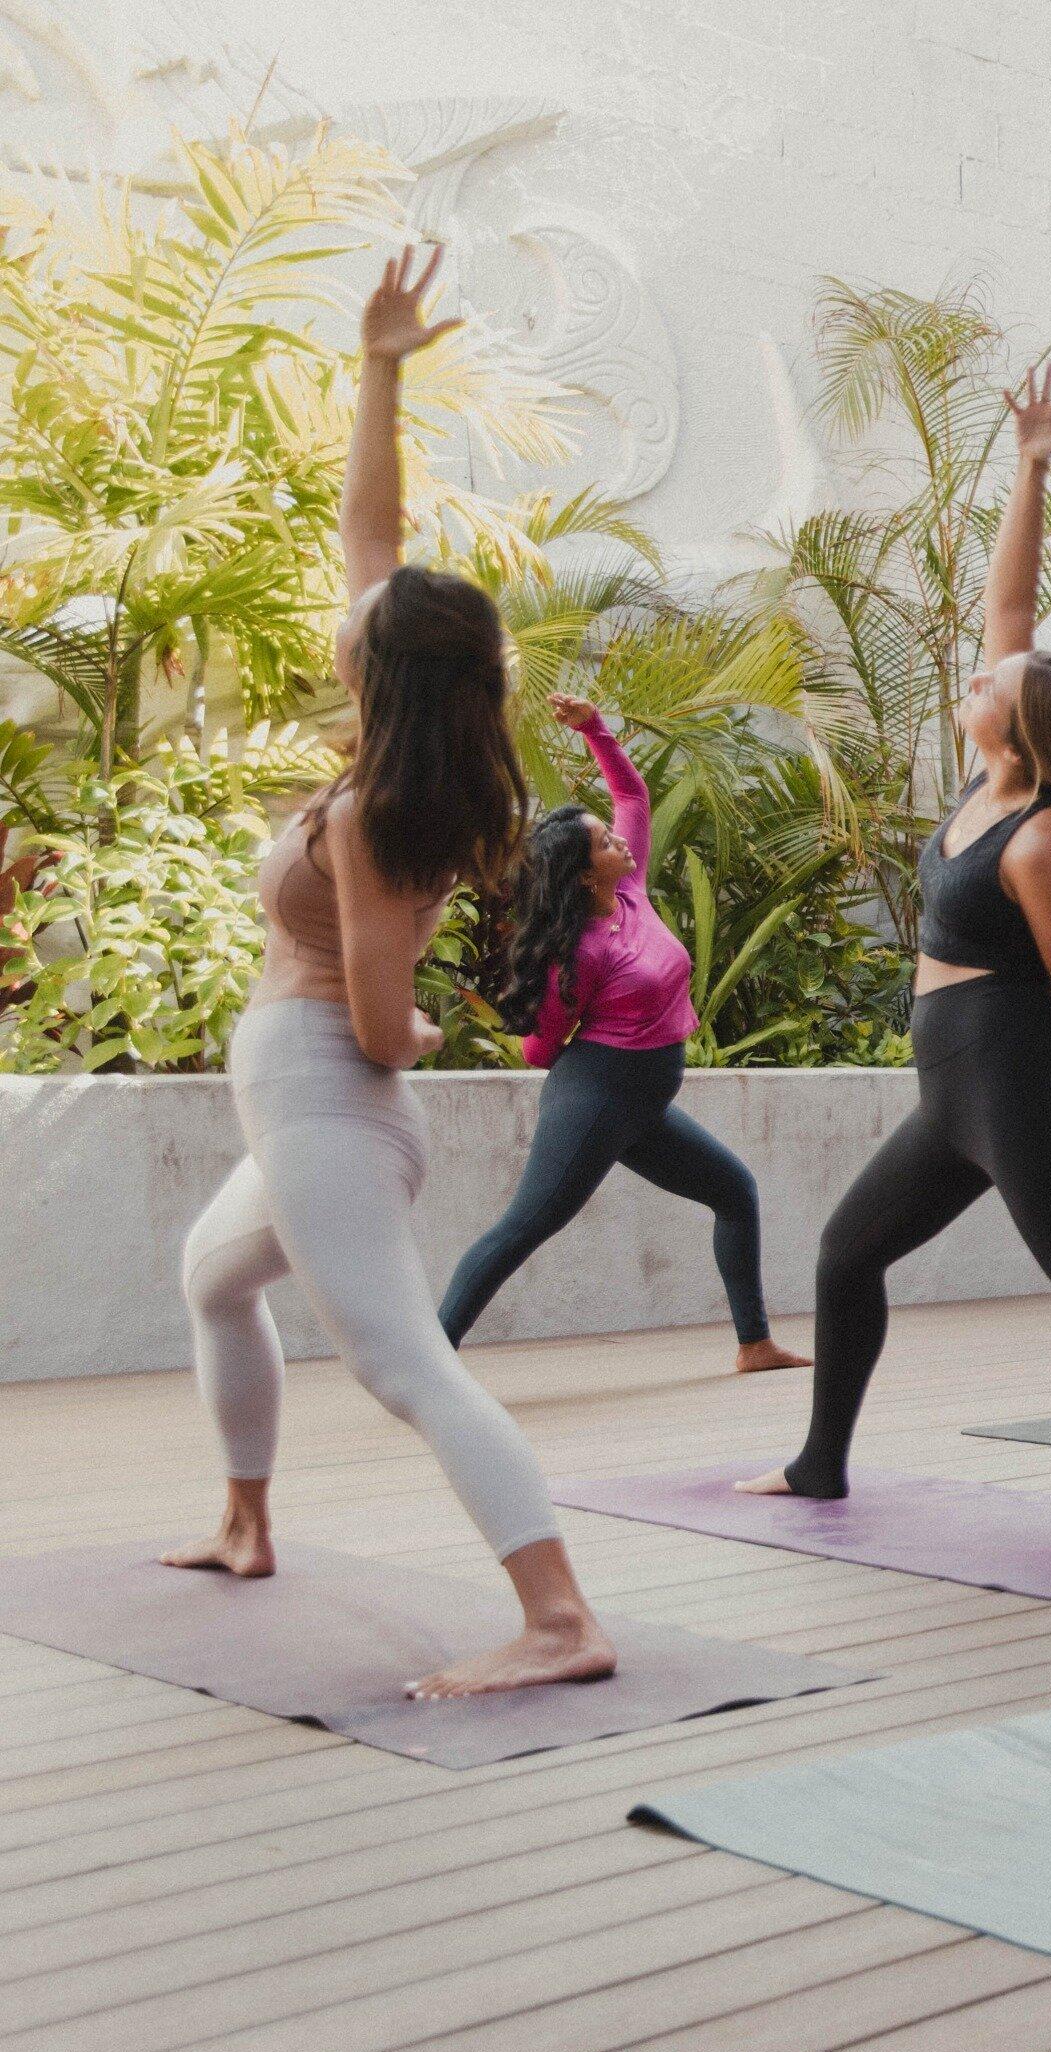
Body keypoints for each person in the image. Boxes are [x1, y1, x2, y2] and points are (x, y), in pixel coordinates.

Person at [167, 247, 615, 1697]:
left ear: (385, 671)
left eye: (368, 623)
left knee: (404, 1366)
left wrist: (413, 1022)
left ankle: (559, 1618)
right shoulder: (394, 764)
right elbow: (371, 537)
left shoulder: (375, 819)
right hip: (297, 1102)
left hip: (327, 1097)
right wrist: (380, 368)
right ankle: (245, 1522)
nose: (347, 614)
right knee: (214, 1279)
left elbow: (374, 1021)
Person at [740, 364, 1051, 1501]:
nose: (980, 671)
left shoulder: (1041, 838)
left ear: (1017, 723)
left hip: (1010, 1086)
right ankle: (818, 1465)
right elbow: (1013, 611)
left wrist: (1006, 1022)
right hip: (957, 1092)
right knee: (849, 1254)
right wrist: (1030, 469)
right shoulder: (995, 785)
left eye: (996, 679)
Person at [435, 693, 808, 1373]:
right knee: (528, 1225)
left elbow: (631, 796)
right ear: (583, 872)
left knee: (734, 1193)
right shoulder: (578, 951)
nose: (618, 839)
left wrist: (595, 729)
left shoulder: (630, 892)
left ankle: (754, 1345)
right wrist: (575, 1055)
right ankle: (428, 1357)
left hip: (642, 1102)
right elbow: (541, 1049)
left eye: (611, 835)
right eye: (603, 842)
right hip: (600, 1098)